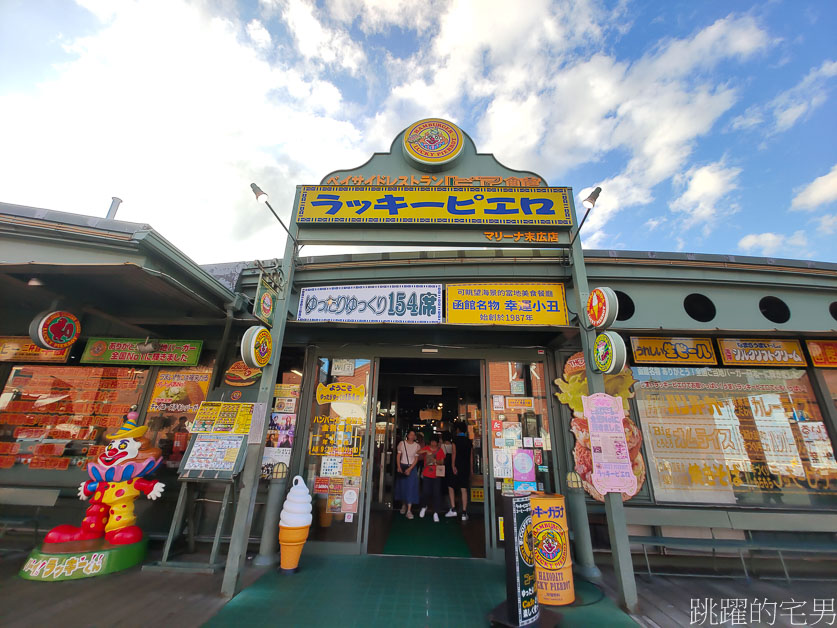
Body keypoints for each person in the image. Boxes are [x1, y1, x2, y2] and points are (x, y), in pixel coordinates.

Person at [418, 435, 446, 522]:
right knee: (425, 492)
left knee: (436, 493)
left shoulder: (439, 450)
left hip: (436, 474)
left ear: (437, 442)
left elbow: (442, 462)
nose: (433, 443)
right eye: (432, 441)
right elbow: (418, 452)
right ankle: (424, 506)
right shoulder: (426, 448)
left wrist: (435, 461)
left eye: (435, 441)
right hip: (427, 473)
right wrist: (426, 450)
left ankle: (436, 512)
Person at [450, 421, 473, 521]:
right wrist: (471, 469)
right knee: (464, 489)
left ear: (458, 430)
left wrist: (453, 465)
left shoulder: (455, 440)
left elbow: (454, 453)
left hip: (457, 466)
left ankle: (453, 509)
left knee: (451, 486)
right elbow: (471, 457)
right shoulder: (469, 441)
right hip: (466, 467)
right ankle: (464, 512)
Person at [394, 429, 420, 518]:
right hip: (402, 466)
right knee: (403, 487)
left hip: (412, 468)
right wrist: (399, 466)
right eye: (411, 434)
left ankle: (409, 510)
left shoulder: (417, 446)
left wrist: (410, 469)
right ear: (407, 435)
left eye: (414, 435)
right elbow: (398, 456)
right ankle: (403, 505)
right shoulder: (401, 444)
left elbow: (416, 459)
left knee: (411, 488)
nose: (412, 436)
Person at [441, 431, 457, 517]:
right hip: (453, 467)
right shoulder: (453, 445)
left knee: (447, 486)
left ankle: (450, 506)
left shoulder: (443, 446)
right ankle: (452, 505)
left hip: (446, 467)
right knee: (452, 485)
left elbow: (442, 458)